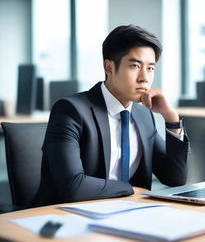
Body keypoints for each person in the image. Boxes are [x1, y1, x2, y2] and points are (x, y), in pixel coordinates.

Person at [33, 25, 190, 206]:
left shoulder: (143, 115)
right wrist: (129, 188)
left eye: (150, 68)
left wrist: (172, 119)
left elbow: (175, 177)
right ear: (109, 67)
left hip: (126, 214)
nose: (144, 78)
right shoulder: (70, 111)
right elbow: (72, 186)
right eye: (135, 66)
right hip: (62, 216)